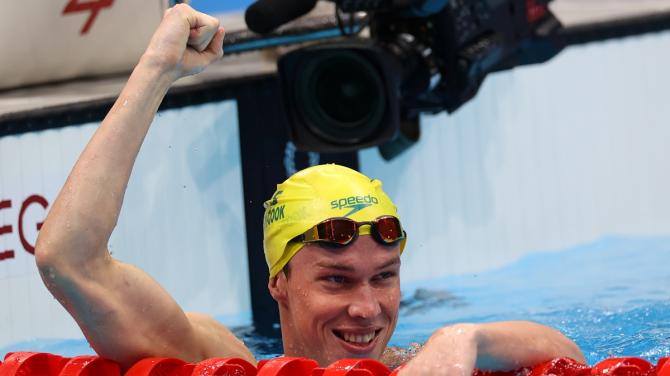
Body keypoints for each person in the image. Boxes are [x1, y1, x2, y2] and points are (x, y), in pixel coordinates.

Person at [34, 3, 585, 374]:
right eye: (336, 280)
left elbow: (562, 352)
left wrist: (464, 340)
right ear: (279, 281)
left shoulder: (419, 362)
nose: (367, 309)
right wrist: (155, 70)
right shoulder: (227, 366)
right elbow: (69, 260)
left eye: (384, 277)